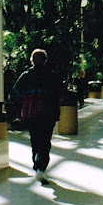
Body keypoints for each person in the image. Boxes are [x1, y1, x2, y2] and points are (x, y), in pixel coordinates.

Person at [13, 48, 61, 185]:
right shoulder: (51, 76)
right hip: (48, 114)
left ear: (32, 60)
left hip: (31, 114)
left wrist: (23, 105)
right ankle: (40, 167)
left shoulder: (26, 75)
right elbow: (59, 95)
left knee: (35, 139)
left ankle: (37, 163)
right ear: (45, 60)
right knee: (45, 141)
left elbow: (16, 92)